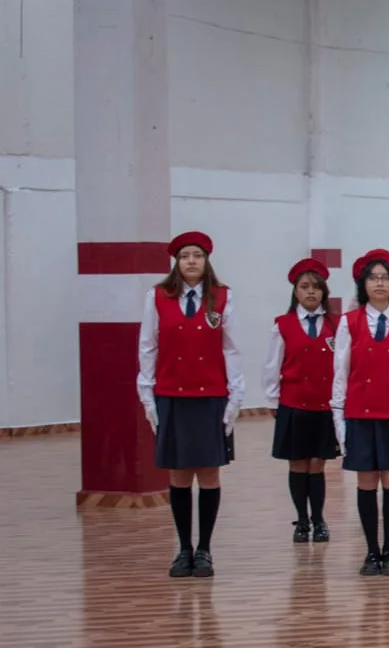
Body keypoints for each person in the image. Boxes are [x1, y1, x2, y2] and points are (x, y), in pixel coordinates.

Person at [138, 231, 243, 578]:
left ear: (207, 260)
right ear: (176, 262)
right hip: (172, 395)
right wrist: (148, 393)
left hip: (210, 395)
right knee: (179, 474)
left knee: (209, 473)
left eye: (197, 255)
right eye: (185, 256)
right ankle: (183, 549)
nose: (192, 261)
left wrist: (235, 396)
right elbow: (148, 346)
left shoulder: (223, 297)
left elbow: (232, 349)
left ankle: (205, 550)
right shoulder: (157, 297)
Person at [332, 249, 389, 576]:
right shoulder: (349, 322)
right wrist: (339, 422)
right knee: (367, 483)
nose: (380, 283)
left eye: (385, 277)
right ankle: (371, 551)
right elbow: (340, 375)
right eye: (373, 277)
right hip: (361, 415)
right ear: (363, 284)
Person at [264, 258, 341, 542]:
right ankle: (302, 520)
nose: (311, 292)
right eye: (305, 286)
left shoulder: (337, 324)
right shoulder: (282, 325)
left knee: (318, 465)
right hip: (294, 404)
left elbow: (343, 366)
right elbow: (272, 365)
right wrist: (274, 401)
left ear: (324, 291)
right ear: (295, 291)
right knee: (297, 464)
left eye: (316, 287)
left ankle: (319, 519)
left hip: (324, 406)